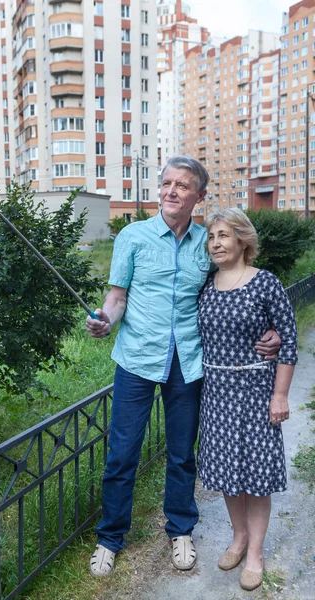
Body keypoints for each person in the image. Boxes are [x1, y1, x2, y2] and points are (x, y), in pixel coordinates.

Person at [85, 156, 280, 577]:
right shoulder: (133, 237)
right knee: (122, 454)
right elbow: (116, 298)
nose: (171, 191)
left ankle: (181, 530)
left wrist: (275, 329)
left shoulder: (206, 242)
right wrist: (104, 320)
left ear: (199, 196)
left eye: (182, 185)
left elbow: (238, 285)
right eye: (167, 183)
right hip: (137, 359)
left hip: (189, 363)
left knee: (181, 454)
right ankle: (110, 537)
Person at [198, 208, 297, 591]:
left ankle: (255, 552)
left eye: (223, 235)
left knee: (256, 476)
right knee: (226, 472)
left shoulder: (265, 283)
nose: (216, 243)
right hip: (217, 394)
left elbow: (286, 342)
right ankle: (238, 536)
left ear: (243, 240)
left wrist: (280, 395)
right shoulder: (207, 282)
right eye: (211, 237)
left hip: (256, 393)